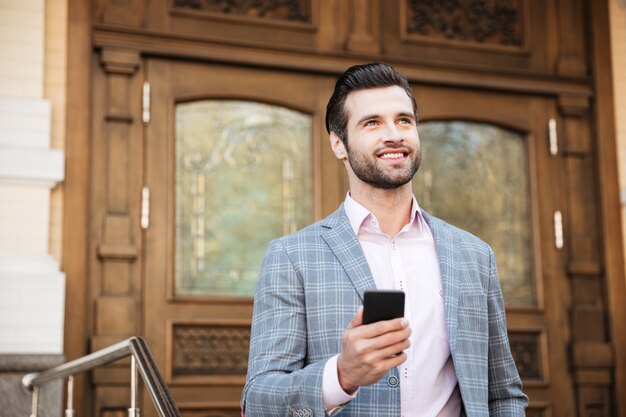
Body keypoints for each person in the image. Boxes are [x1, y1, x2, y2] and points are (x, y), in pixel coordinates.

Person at [241, 63, 528, 417]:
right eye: (372, 122)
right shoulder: (291, 256)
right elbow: (258, 400)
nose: (394, 134)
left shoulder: (474, 255)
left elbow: (504, 394)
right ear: (338, 144)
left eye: (404, 120)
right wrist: (341, 376)